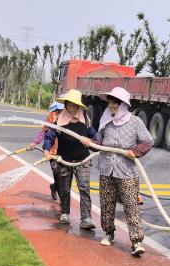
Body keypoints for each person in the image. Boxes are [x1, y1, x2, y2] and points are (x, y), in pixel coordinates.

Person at [84, 87, 153, 255]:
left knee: (131, 206)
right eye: (110, 101)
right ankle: (109, 233)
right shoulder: (106, 121)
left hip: (127, 171)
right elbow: (99, 142)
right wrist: (90, 142)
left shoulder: (135, 121)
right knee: (107, 204)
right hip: (107, 169)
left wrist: (134, 152)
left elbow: (148, 141)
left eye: (115, 102)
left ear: (123, 104)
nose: (112, 105)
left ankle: (136, 242)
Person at [43, 89, 97, 229]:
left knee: (84, 188)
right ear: (65, 104)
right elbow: (49, 137)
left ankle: (86, 218)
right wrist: (47, 150)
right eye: (69, 104)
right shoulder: (58, 120)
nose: (72, 107)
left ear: (79, 106)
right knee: (64, 189)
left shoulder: (85, 119)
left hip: (83, 161)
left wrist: (91, 141)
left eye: (74, 105)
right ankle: (65, 213)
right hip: (64, 160)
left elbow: (95, 137)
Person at [27, 101, 64, 200]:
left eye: (59, 110)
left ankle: (54, 187)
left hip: (67, 153)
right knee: (57, 176)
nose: (57, 112)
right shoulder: (52, 116)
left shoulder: (73, 116)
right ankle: (64, 206)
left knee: (63, 178)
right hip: (53, 152)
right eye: (56, 111)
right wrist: (35, 142)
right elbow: (44, 130)